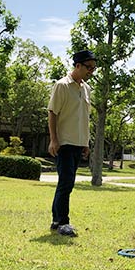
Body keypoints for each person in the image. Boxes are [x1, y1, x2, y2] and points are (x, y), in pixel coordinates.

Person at [48, 49, 96, 237]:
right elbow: (52, 112)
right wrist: (53, 140)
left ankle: (55, 220)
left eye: (93, 68)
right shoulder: (62, 86)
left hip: (78, 142)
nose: (91, 71)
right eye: (88, 67)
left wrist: (86, 142)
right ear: (77, 65)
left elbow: (84, 118)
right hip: (64, 142)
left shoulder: (86, 89)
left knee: (66, 182)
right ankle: (63, 222)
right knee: (66, 182)